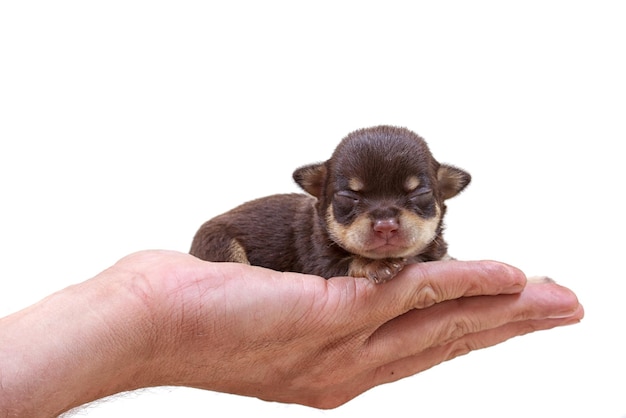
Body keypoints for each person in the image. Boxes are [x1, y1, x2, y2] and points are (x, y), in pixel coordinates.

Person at [0, 250, 583, 417]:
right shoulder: (313, 237)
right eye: (355, 202)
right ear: (324, 197)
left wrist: (146, 318)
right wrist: (152, 318)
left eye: (412, 200)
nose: (384, 226)